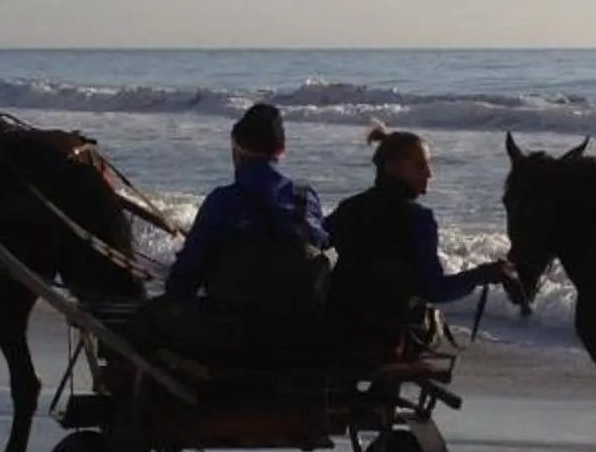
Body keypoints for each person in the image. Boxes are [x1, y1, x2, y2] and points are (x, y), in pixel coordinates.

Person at [324, 126, 513, 354]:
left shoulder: (350, 208)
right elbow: (435, 290)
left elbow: (315, 241)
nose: (429, 174)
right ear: (392, 167)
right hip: (389, 337)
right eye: (420, 165)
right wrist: (484, 274)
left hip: (338, 329)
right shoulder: (418, 219)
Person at [164, 100, 330, 313]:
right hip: (296, 325)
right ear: (281, 150)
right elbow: (319, 247)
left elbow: (184, 277)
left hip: (230, 327)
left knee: (147, 318)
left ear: (236, 148)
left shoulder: (222, 201)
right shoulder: (306, 199)